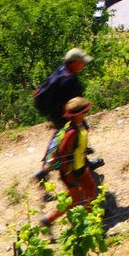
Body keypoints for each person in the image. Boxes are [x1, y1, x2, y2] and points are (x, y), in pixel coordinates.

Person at [32, 48, 91, 181]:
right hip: (66, 116)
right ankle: (53, 168)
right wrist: (77, 118)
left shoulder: (61, 70)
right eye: (82, 62)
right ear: (74, 62)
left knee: (60, 138)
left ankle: (47, 167)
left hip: (55, 114)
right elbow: (74, 103)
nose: (83, 65)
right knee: (77, 136)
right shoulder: (70, 80)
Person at [40, 97, 97, 227]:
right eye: (84, 112)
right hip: (70, 172)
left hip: (81, 166)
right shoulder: (71, 132)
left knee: (90, 188)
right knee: (73, 200)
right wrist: (70, 177)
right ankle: (49, 220)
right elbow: (63, 155)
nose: (86, 114)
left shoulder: (80, 126)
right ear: (77, 114)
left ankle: (91, 218)